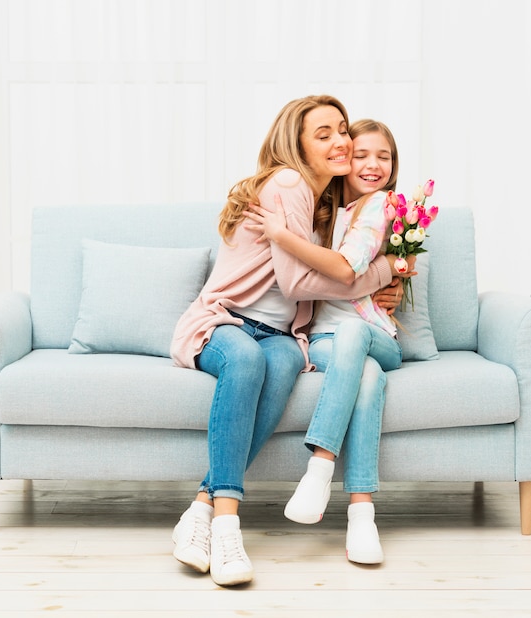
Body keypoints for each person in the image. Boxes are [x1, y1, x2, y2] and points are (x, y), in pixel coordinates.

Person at [169, 98, 410, 586]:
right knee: (246, 363)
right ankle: (226, 524)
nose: (340, 141)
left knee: (278, 364)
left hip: (281, 335)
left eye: (341, 130)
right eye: (323, 134)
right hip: (226, 323)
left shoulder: (325, 204)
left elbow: (319, 278)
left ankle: (199, 507)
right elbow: (300, 283)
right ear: (295, 143)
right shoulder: (288, 183)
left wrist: (388, 277)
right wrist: (385, 270)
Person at [244, 119, 408, 565]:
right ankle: (361, 516)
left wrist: (282, 235)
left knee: (356, 334)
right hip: (322, 342)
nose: (373, 165)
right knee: (367, 380)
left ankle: (319, 466)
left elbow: (345, 268)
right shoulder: (320, 207)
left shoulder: (380, 205)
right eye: (362, 155)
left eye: (384, 157)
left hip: (375, 336)